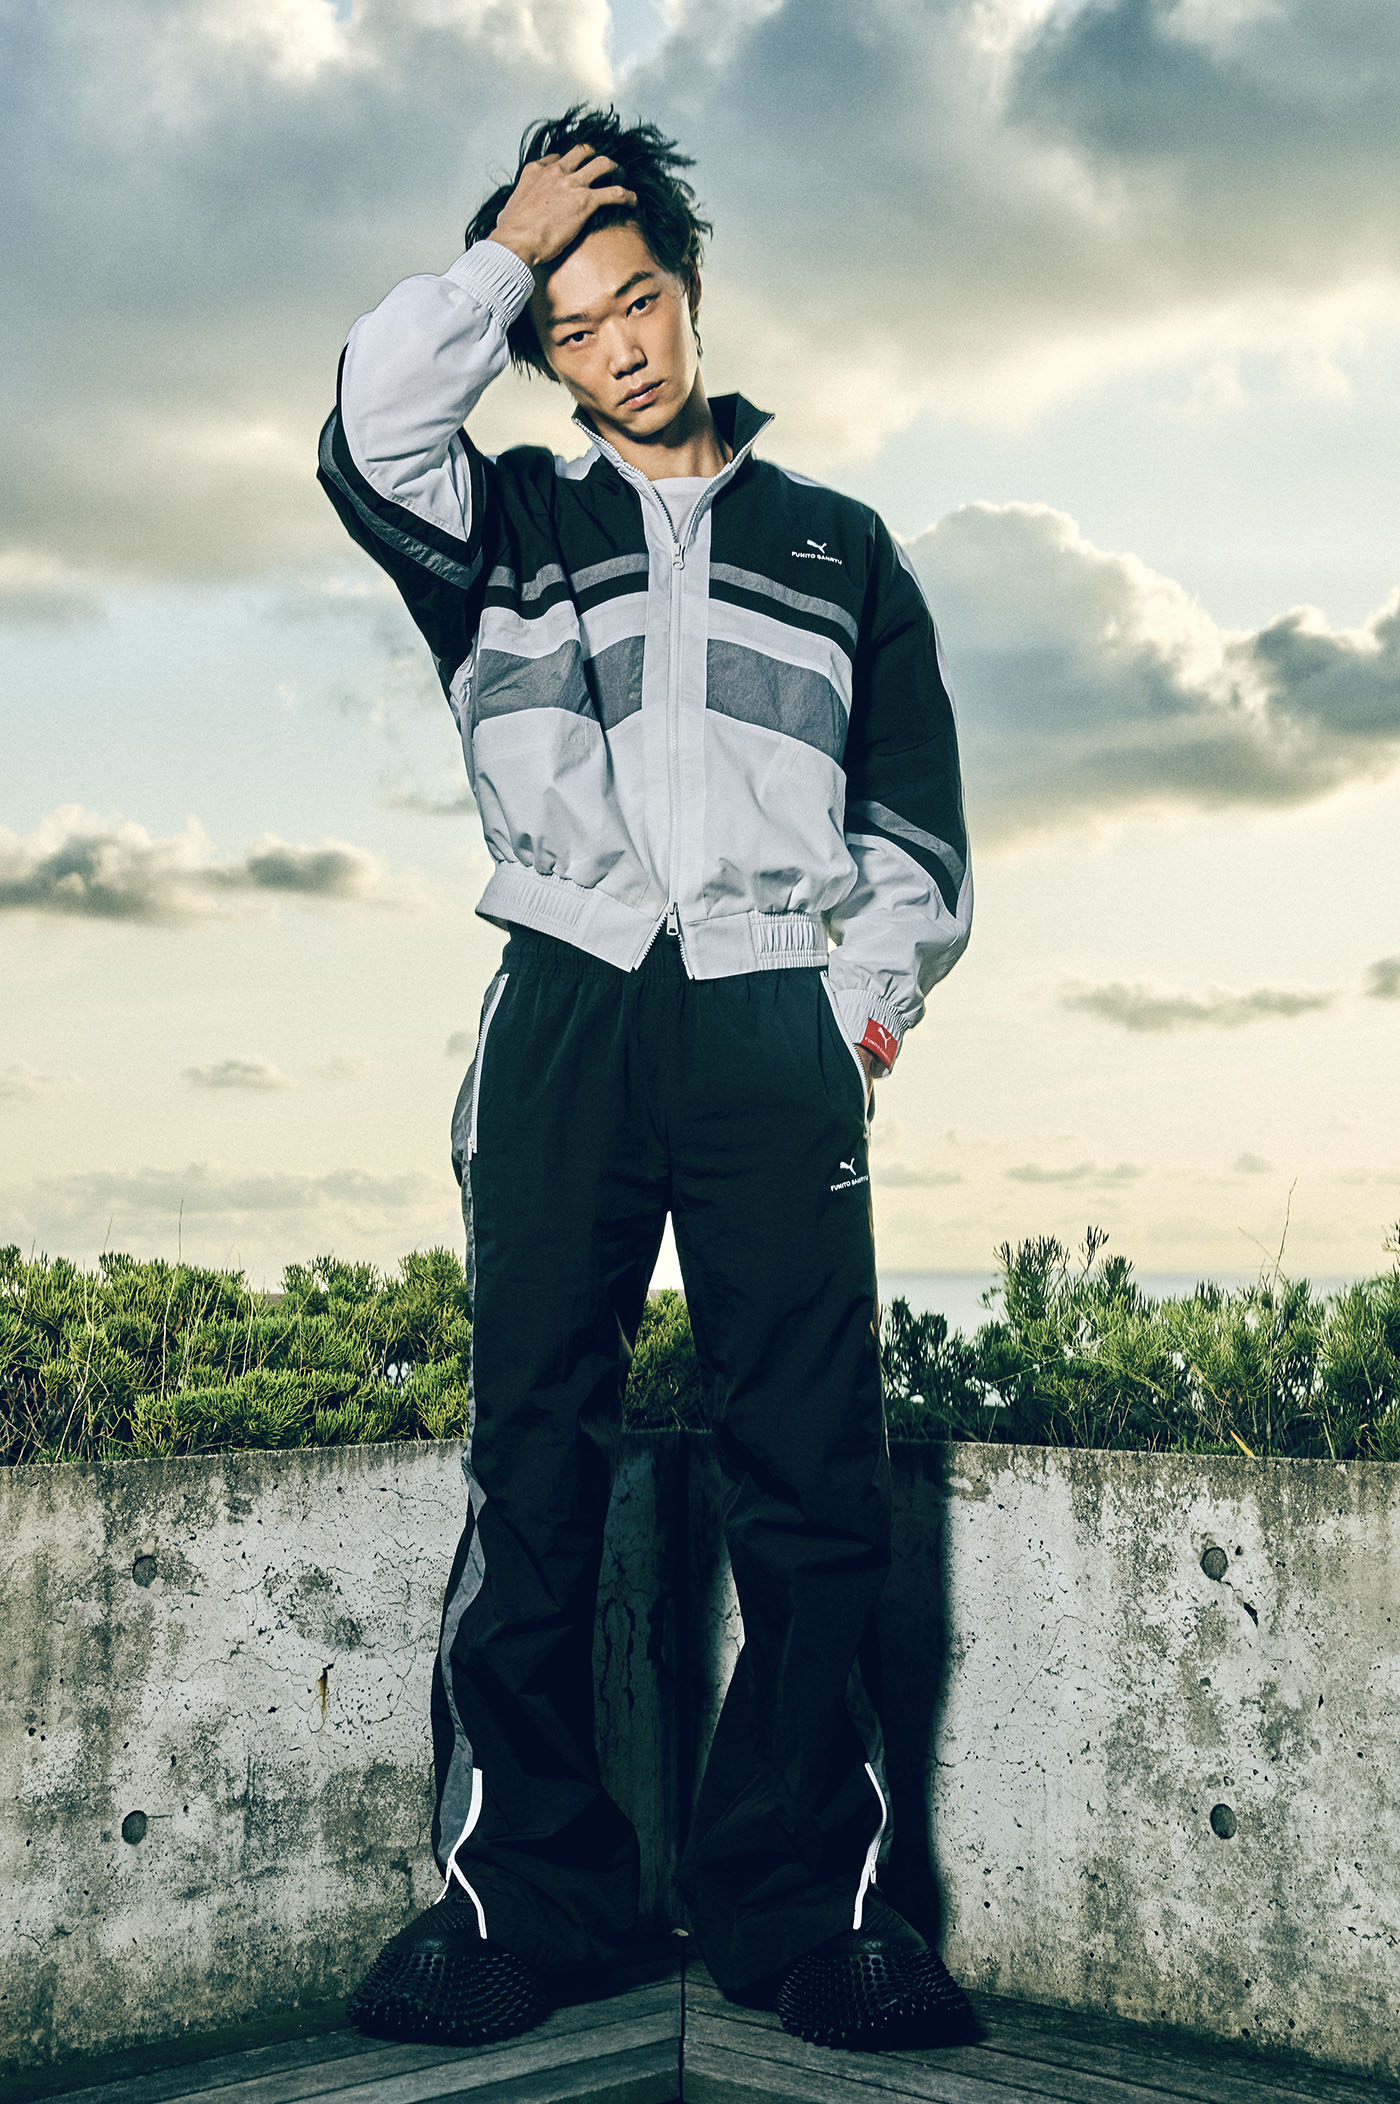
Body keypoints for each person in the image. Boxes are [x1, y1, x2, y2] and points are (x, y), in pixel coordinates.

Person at [317, 105, 974, 2055]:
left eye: (639, 301)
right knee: (533, 1458)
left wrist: (849, 1020)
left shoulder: (840, 545)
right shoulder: (499, 522)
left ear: (690, 292)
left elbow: (915, 831)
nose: (618, 347)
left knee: (812, 1470)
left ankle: (814, 1908)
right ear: (539, 346)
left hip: (772, 1013)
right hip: (571, 999)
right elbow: (368, 427)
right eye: (573, 322)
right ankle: (518, 1902)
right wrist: (502, 252)